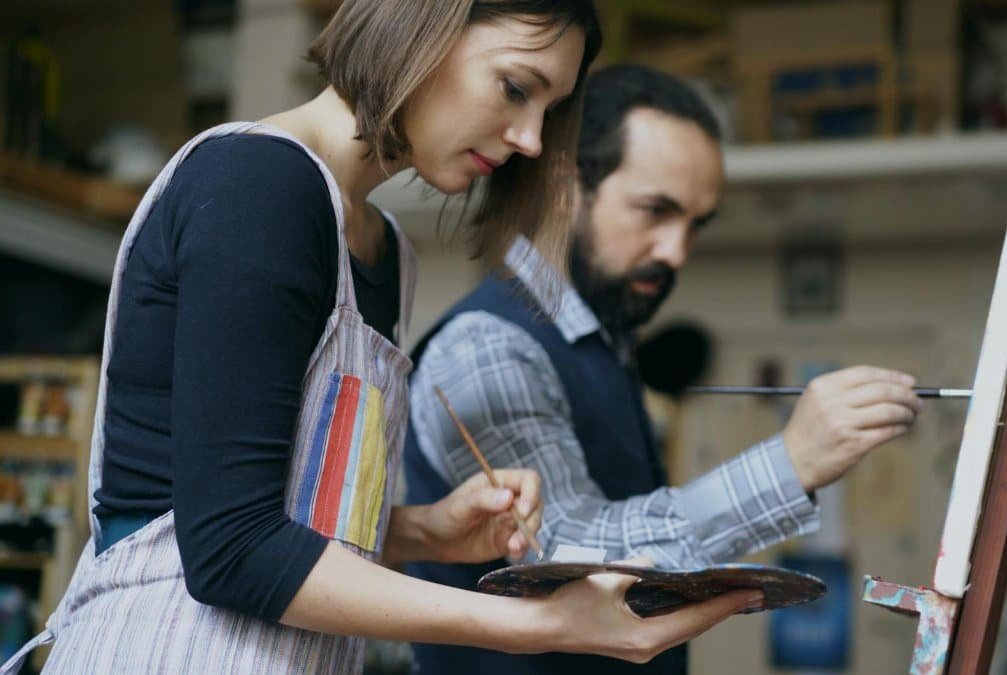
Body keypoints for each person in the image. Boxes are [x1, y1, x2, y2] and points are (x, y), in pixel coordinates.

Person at [0, 5, 760, 675]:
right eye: (517, 87)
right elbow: (230, 547)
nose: (531, 139)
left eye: (549, 110)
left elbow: (282, 513)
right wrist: (535, 624)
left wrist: (424, 530)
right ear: (425, 22)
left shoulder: (383, 250)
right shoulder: (257, 187)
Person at [404, 64, 924, 674]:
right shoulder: (487, 345)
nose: (677, 251)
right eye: (656, 210)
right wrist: (791, 463)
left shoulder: (602, 344)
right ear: (565, 186)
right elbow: (569, 555)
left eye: (694, 225)